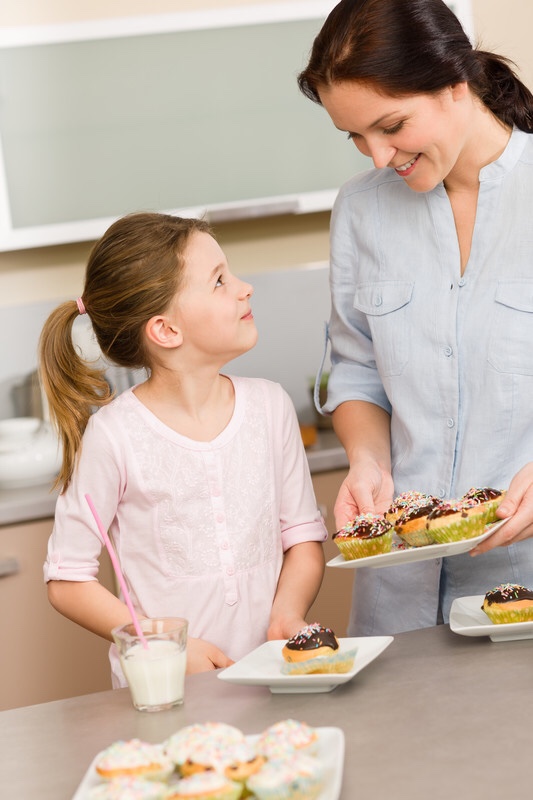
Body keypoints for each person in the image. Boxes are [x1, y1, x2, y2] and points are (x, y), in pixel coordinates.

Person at [297, 0, 533, 635]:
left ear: (456, 84)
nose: (377, 157)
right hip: (400, 584)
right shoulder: (361, 210)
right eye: (355, 136)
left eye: (392, 125)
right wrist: (368, 462)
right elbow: (356, 370)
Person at [40, 212, 326, 686]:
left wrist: (287, 616)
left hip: (271, 679)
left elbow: (302, 539)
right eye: (218, 281)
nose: (244, 287)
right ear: (166, 331)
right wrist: (163, 646)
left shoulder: (271, 407)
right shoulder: (114, 436)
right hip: (165, 691)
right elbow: (67, 579)